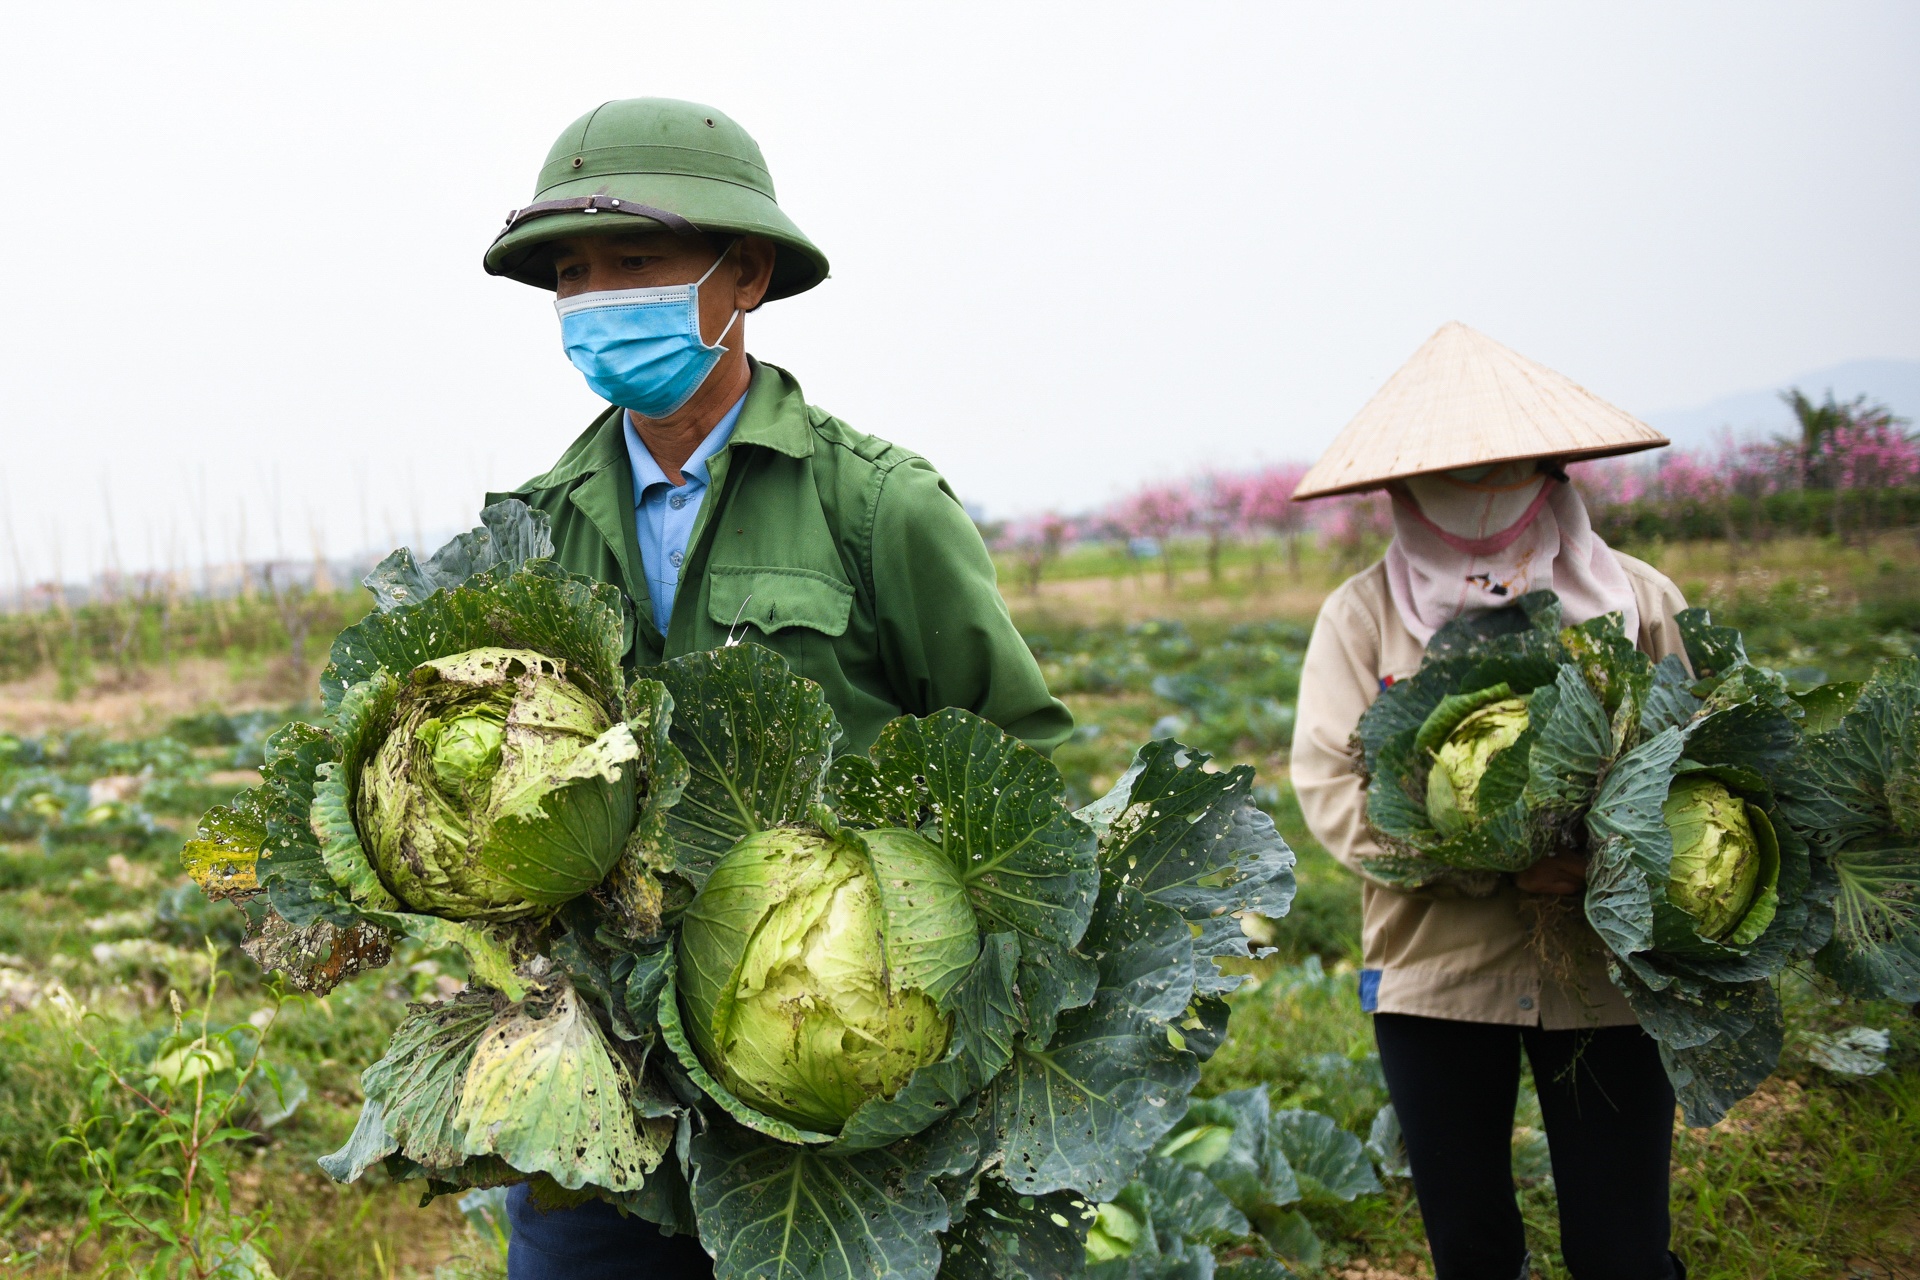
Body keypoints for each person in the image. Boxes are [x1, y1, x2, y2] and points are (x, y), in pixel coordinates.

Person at [478, 96, 1072, 1280]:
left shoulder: (879, 504)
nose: (595, 300)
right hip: (605, 1065)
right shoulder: (532, 530)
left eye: (632, 264)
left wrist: (962, 1013)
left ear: (743, 274)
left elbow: (1017, 772)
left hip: (837, 1048)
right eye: (571, 275)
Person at [1288, 323, 1690, 1280]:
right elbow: (1329, 787)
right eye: (1452, 477)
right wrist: (1486, 862)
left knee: (1624, 1251)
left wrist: (1605, 864)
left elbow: (1701, 766)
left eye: (1506, 470)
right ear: (1401, 489)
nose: (1481, 495)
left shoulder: (1639, 600)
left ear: (1554, 470)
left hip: (1610, 969)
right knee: (1470, 1248)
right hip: (1434, 971)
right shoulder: (1362, 616)